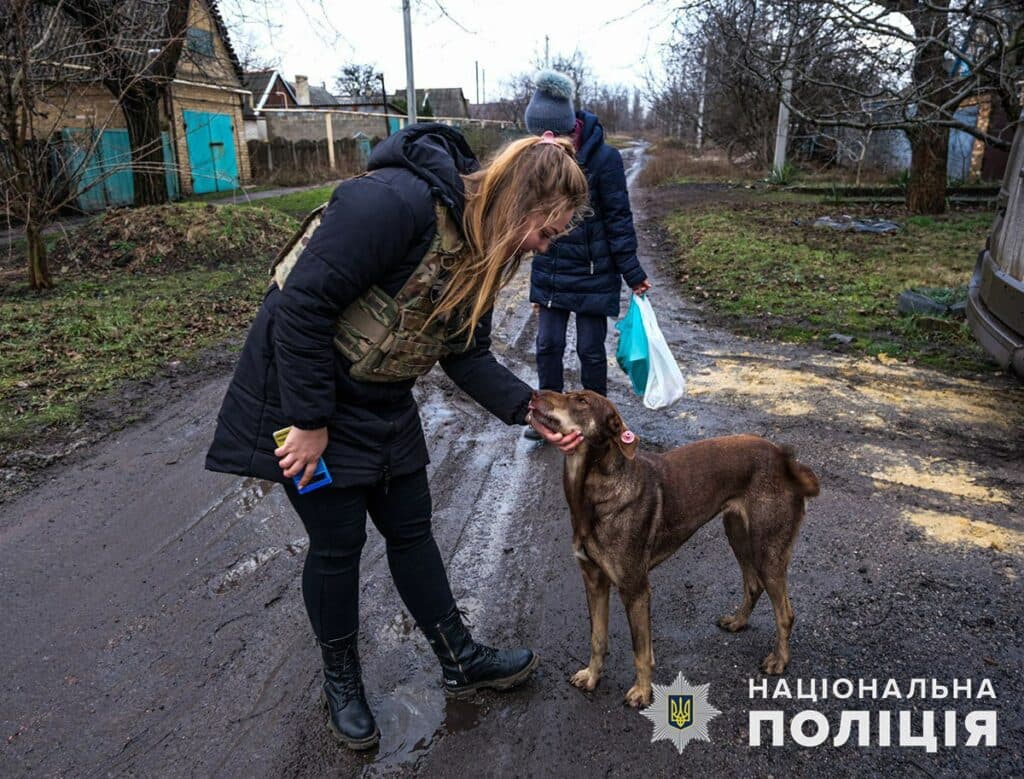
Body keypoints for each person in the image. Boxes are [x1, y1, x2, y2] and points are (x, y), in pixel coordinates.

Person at [205, 123, 589, 750]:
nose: (542, 248)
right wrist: (309, 424)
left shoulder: (481, 250)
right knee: (338, 543)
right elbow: (301, 306)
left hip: (381, 396)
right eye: (545, 232)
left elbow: (464, 353)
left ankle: (459, 657)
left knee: (411, 526)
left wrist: (528, 408)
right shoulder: (392, 202)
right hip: (301, 397)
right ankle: (342, 684)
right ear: (522, 203)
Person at [522, 70, 651, 440]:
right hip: (551, 267)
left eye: (551, 134)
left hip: (596, 270)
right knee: (548, 345)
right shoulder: (532, 158)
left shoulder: (605, 159)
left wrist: (632, 271)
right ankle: (549, 418)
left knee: (591, 351)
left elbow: (619, 218)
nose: (545, 142)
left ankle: (597, 421)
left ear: (567, 127)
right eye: (538, 135)